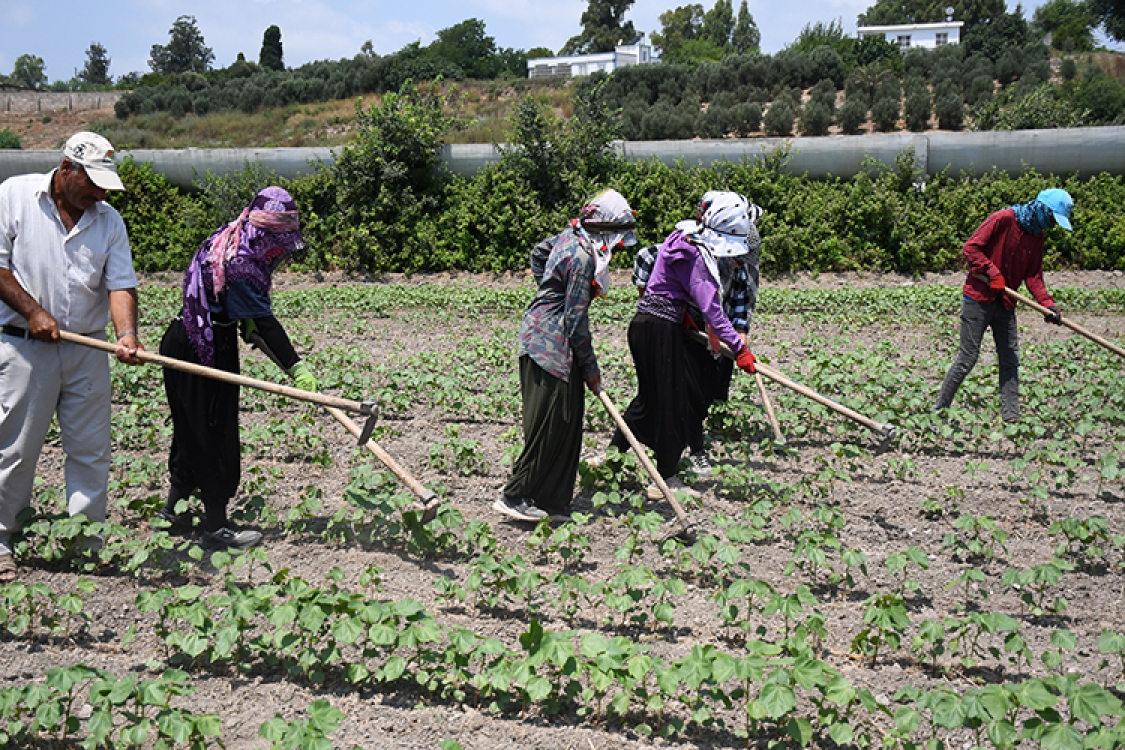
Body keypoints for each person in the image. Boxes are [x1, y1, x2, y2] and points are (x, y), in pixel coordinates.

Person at [0, 131, 143, 582]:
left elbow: (119, 283)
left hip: (87, 348)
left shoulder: (108, 221)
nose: (100, 194)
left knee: (90, 450)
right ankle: (2, 540)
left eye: (104, 186)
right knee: (16, 449)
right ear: (67, 170)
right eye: (93, 184)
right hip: (25, 346)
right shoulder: (15, 196)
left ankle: (86, 544)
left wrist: (127, 334)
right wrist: (34, 312)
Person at [157, 186, 319, 551]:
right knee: (212, 433)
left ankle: (173, 513)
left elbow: (229, 299)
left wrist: (237, 316)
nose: (280, 250)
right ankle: (216, 526)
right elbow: (266, 324)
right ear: (265, 233)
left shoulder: (231, 235)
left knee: (191, 429)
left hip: (194, 336)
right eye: (278, 241)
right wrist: (296, 368)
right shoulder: (242, 261)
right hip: (202, 348)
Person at [494, 189, 638, 522]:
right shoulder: (582, 257)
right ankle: (514, 495)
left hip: (555, 341)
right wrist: (591, 369)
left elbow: (538, 253)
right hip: (549, 344)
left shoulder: (571, 236)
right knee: (550, 423)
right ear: (606, 232)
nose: (618, 247)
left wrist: (548, 286)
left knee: (568, 419)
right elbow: (575, 320)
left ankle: (553, 500)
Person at [605, 191, 758, 497]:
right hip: (659, 329)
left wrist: (681, 314)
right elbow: (712, 309)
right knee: (672, 404)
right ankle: (665, 479)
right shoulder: (695, 255)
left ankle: (610, 460)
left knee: (651, 400)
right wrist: (740, 349)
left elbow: (669, 284)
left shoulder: (683, 239)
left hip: (650, 326)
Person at [934, 188, 1073, 423]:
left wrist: (1048, 304)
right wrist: (992, 271)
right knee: (967, 358)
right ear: (1042, 209)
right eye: (1051, 219)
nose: (1051, 225)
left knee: (1009, 360)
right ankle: (938, 412)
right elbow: (971, 248)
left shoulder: (1037, 236)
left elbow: (1033, 276)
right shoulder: (1003, 219)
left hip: (1007, 303)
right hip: (978, 298)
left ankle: (1011, 419)